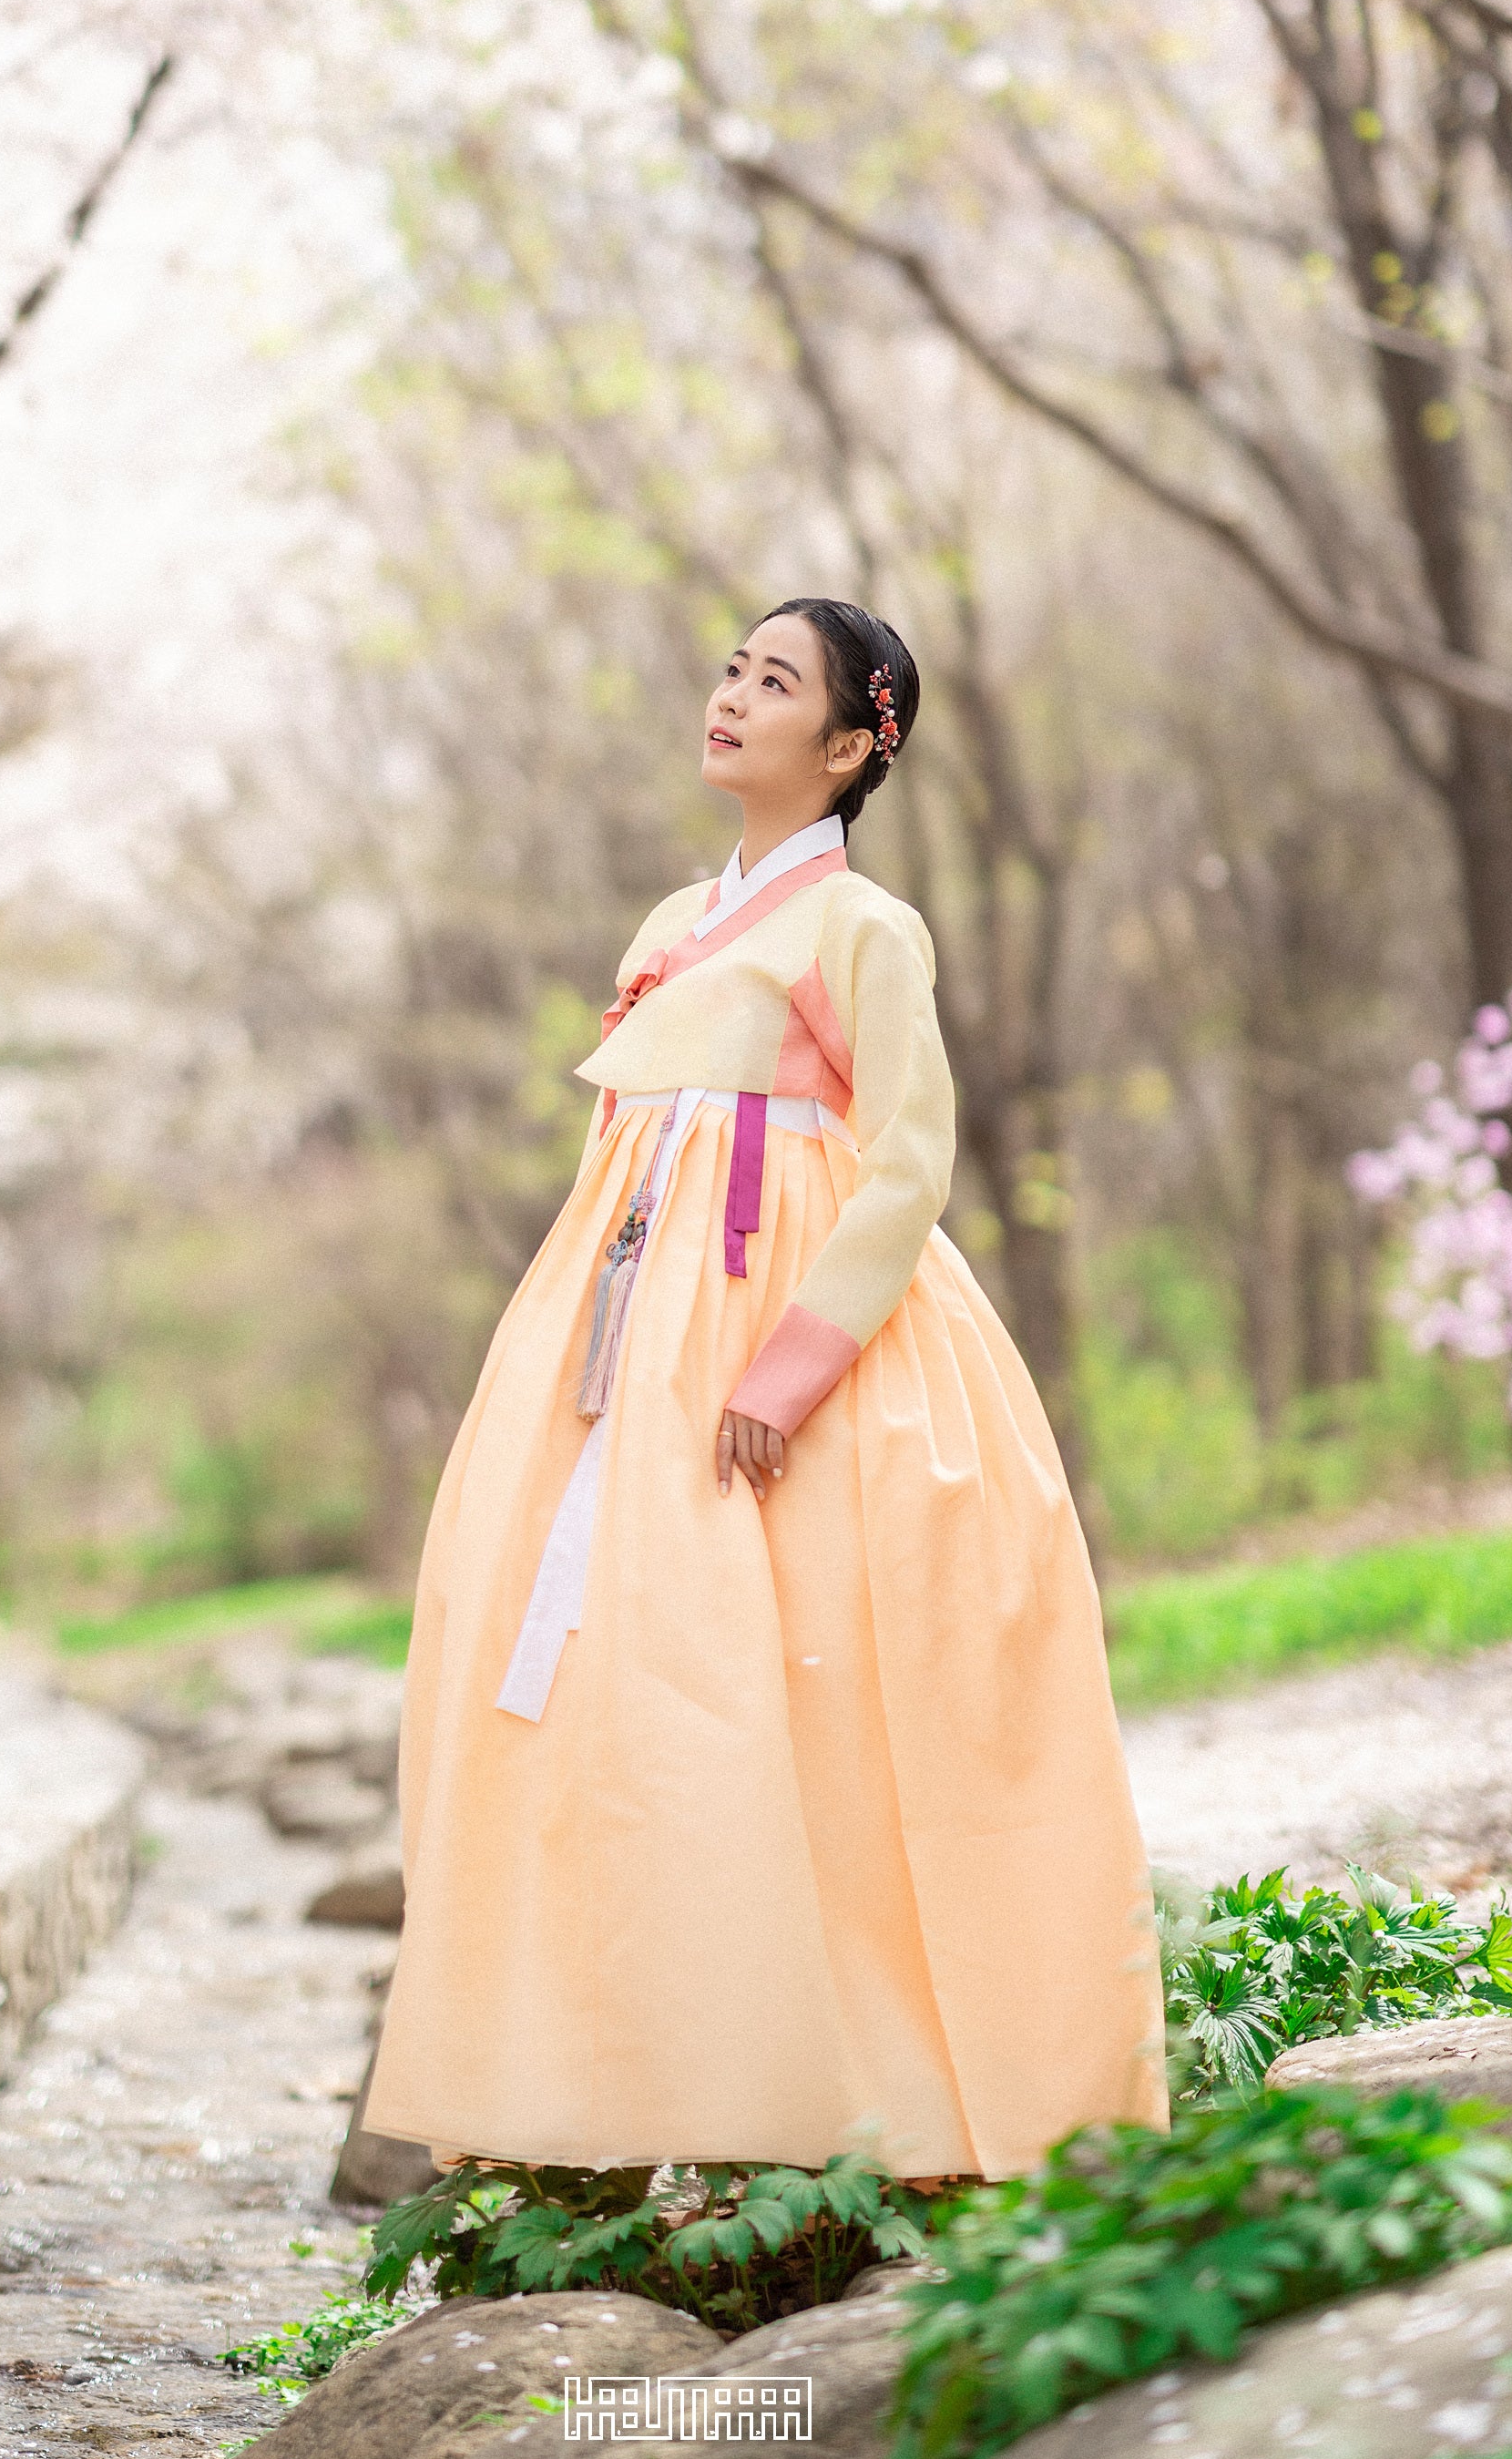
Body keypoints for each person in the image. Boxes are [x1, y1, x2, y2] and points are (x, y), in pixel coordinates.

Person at [366, 599, 1166, 2177]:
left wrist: (789, 1368)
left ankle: (882, 2100)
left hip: (781, 1330)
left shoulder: (863, 929)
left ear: (858, 741)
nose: (731, 695)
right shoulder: (674, 921)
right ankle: (629, 2082)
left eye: (775, 680)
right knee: (624, 1685)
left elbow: (908, 1163)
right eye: (734, 666)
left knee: (825, 1689)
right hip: (625, 1328)